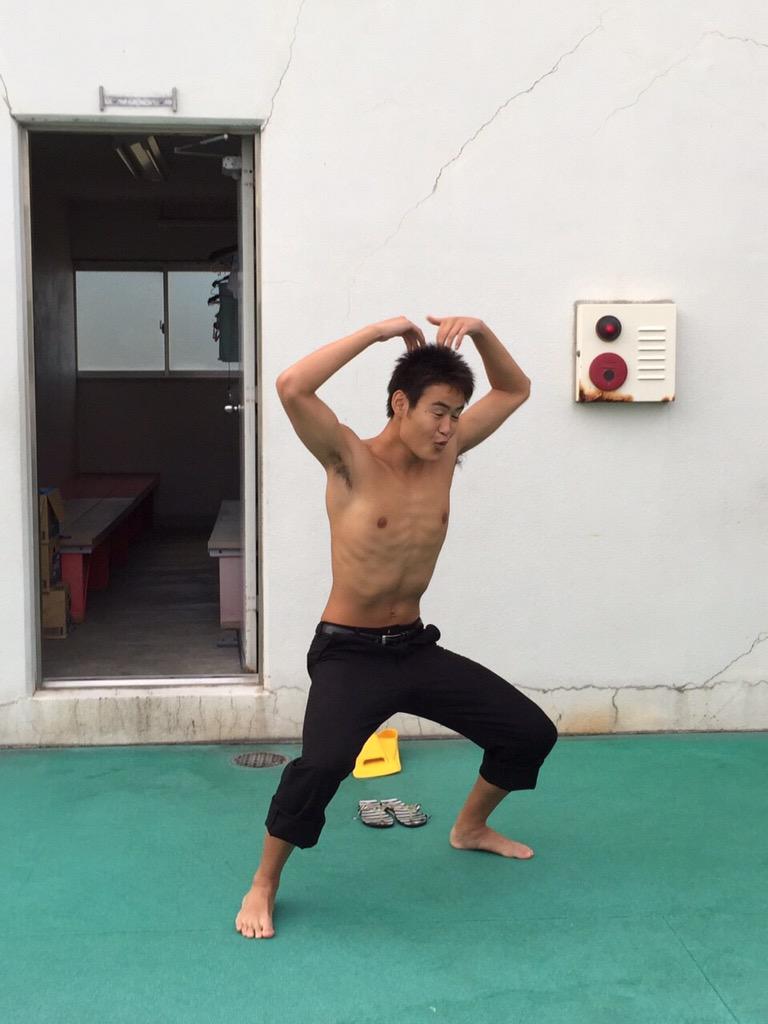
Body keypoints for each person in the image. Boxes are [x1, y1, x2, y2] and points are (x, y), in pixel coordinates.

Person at [235, 314, 558, 939]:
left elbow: (514, 389)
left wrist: (482, 332)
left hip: (413, 647)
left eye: (456, 414)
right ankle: (265, 882)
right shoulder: (348, 459)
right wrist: (378, 333)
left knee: (529, 733)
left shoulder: (447, 454)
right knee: (322, 766)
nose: (448, 427)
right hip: (349, 653)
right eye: (438, 411)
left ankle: (470, 828)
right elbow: (292, 385)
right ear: (400, 403)